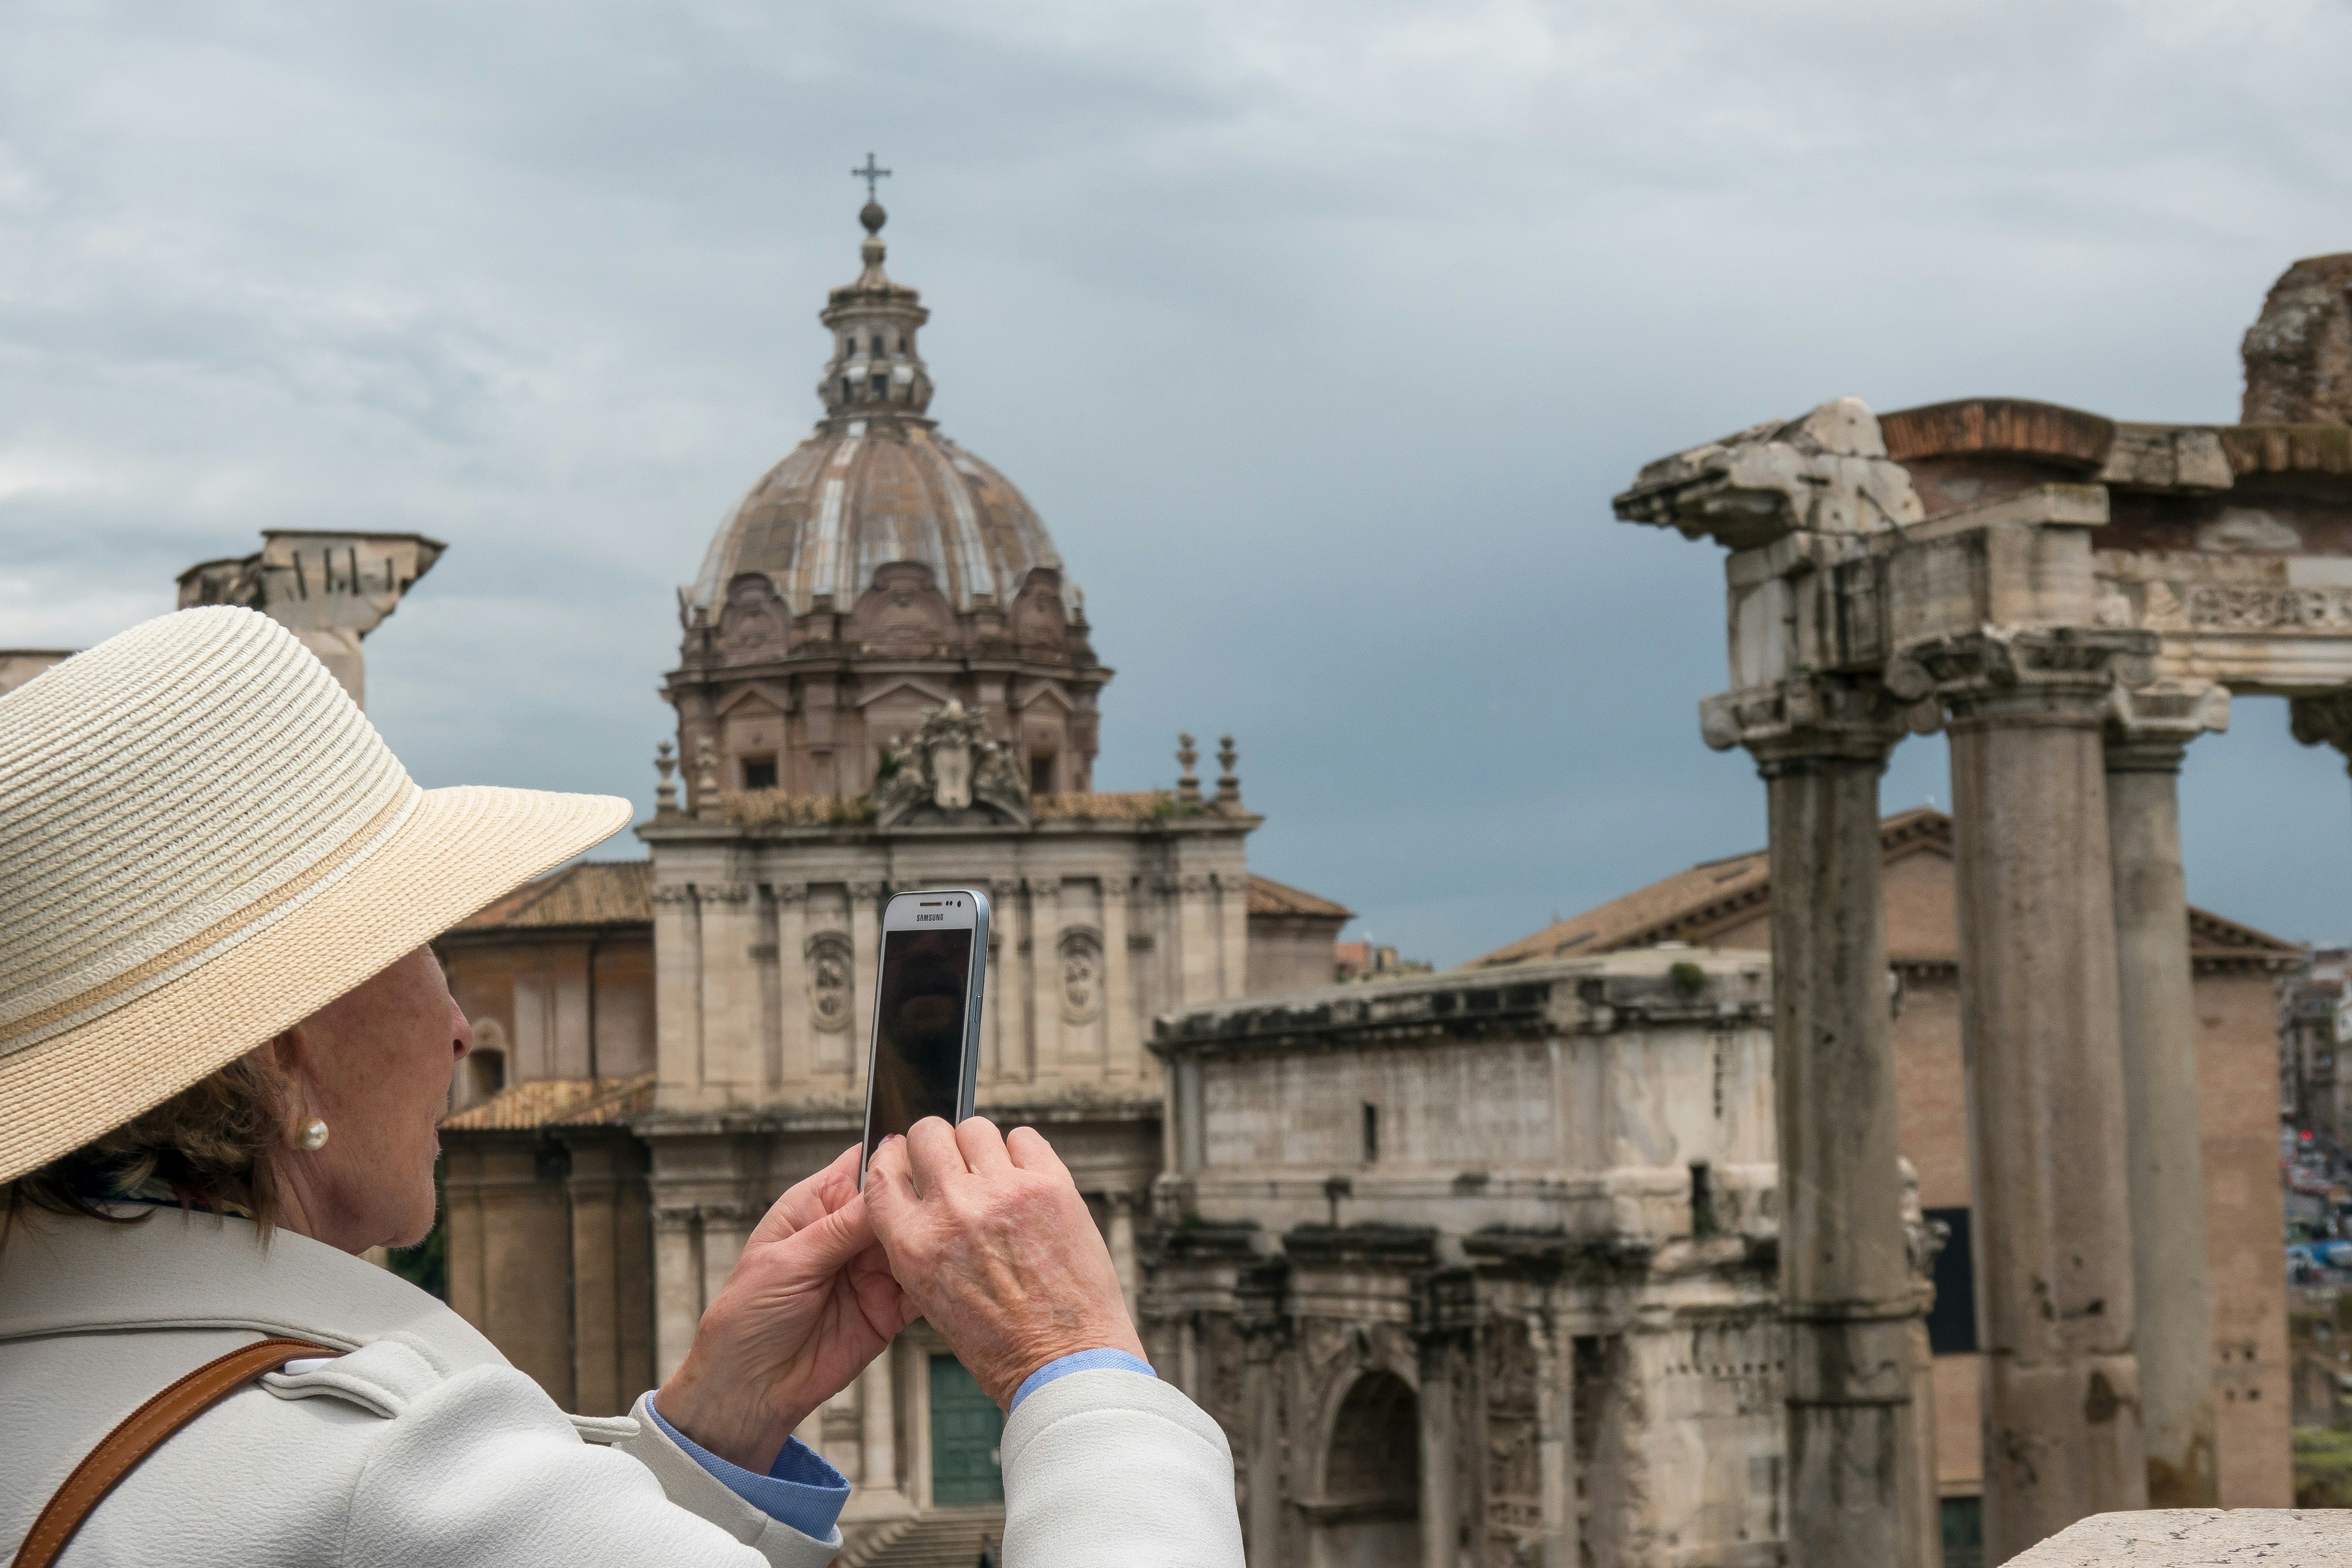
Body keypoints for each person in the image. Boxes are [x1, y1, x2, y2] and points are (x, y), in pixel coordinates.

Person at [0, 608, 1245, 1568]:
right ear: (282, 1051)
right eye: (428, 950)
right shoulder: (382, 1476)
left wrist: (712, 1432)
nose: (461, 1023)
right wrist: (1075, 1371)